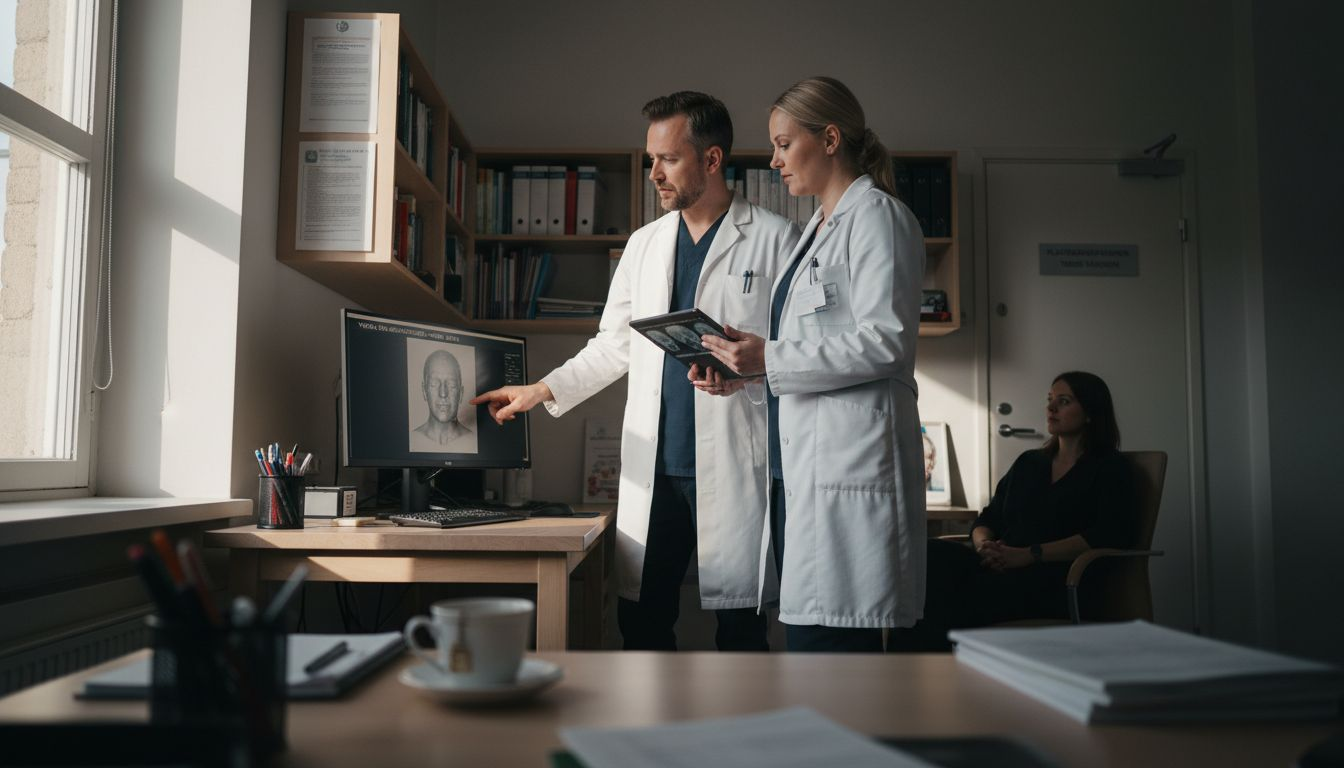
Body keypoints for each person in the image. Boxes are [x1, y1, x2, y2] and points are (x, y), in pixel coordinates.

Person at [471, 92, 800, 651]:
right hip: (657, 470)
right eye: (651, 159)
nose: (654, 174)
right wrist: (541, 389)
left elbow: (793, 355)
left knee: (742, 628)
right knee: (642, 623)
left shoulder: (776, 240)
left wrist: (749, 374)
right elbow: (613, 346)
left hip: (739, 459)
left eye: (668, 159)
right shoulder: (643, 247)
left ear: (712, 160)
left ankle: (744, 736)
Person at [698, 76, 925, 652]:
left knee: (836, 670)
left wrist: (769, 357)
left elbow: (886, 341)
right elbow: (810, 354)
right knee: (809, 657)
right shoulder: (814, 234)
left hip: (852, 480)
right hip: (807, 478)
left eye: (782, 144)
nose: (773, 161)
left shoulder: (878, 217)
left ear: (829, 138)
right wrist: (748, 372)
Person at [889, 371, 1135, 651]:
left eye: (1064, 401)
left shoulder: (1109, 468)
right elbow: (987, 518)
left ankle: (930, 671)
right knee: (928, 557)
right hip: (1001, 566)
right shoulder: (1030, 463)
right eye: (1050, 399)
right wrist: (985, 547)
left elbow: (1109, 534)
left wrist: (1028, 555)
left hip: (1056, 578)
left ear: (1091, 412)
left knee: (951, 598)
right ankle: (908, 669)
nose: (1051, 408)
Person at [411, 349, 474, 452]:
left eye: (451, 384)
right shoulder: (413, 439)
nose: (443, 393)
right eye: (434, 384)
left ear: (461, 393)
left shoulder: (472, 440)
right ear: (424, 391)